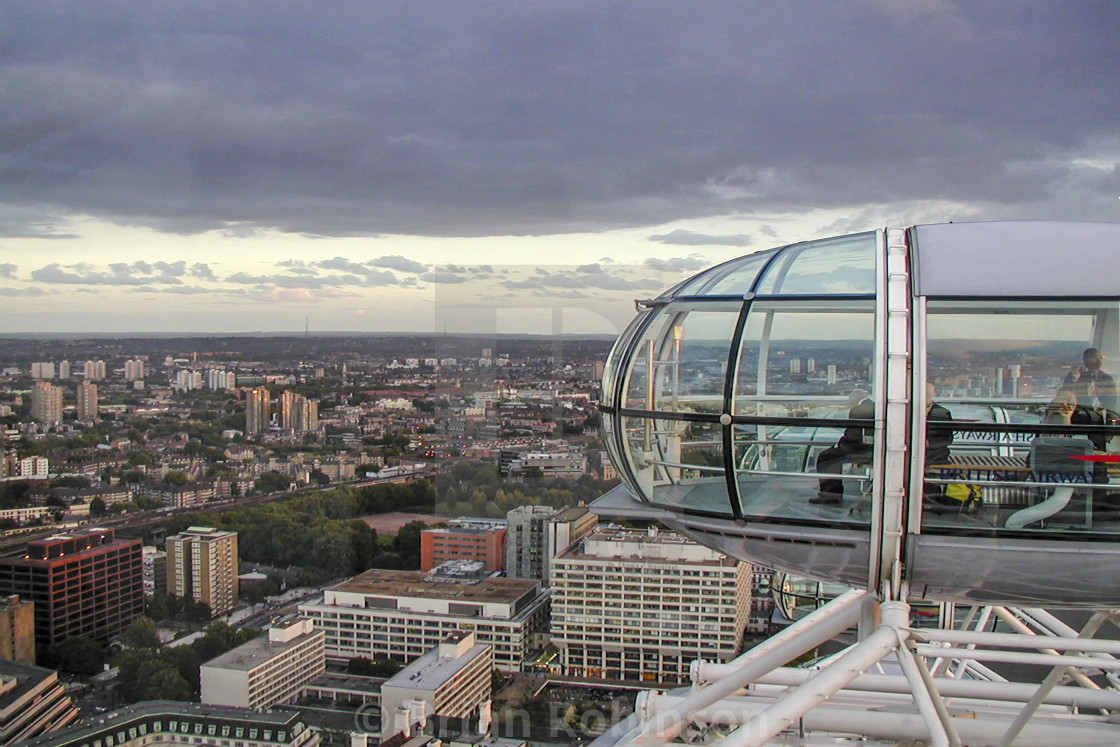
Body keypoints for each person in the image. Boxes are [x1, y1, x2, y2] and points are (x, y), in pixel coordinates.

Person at [811, 389, 874, 505]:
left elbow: (853, 435)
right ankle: (831, 494)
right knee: (831, 455)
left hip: (862, 450)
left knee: (826, 457)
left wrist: (839, 446)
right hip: (870, 449)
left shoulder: (858, 410)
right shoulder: (872, 406)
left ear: (855, 398)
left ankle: (830, 495)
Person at [1064, 348, 1119, 419]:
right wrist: (1074, 378)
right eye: (1095, 358)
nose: (1099, 361)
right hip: (1078, 415)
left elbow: (1111, 401)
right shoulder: (1076, 376)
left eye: (1100, 358)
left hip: (1100, 416)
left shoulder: (1106, 378)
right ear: (1085, 360)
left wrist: (1111, 417)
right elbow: (1065, 392)